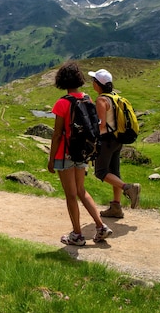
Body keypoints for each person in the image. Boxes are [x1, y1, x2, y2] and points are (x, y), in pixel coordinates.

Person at [48, 61, 112, 246]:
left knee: (70, 195)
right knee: (81, 191)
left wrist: (51, 159)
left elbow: (57, 134)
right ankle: (101, 227)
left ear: (62, 80)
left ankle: (77, 234)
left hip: (65, 154)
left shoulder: (62, 103)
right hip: (82, 152)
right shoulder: (87, 98)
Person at [88, 68, 141, 218]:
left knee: (101, 172)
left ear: (98, 84)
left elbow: (101, 124)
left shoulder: (101, 100)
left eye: (94, 81)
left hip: (106, 140)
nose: (92, 83)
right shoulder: (115, 97)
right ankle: (116, 207)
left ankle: (128, 188)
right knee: (114, 172)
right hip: (118, 139)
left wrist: (92, 137)